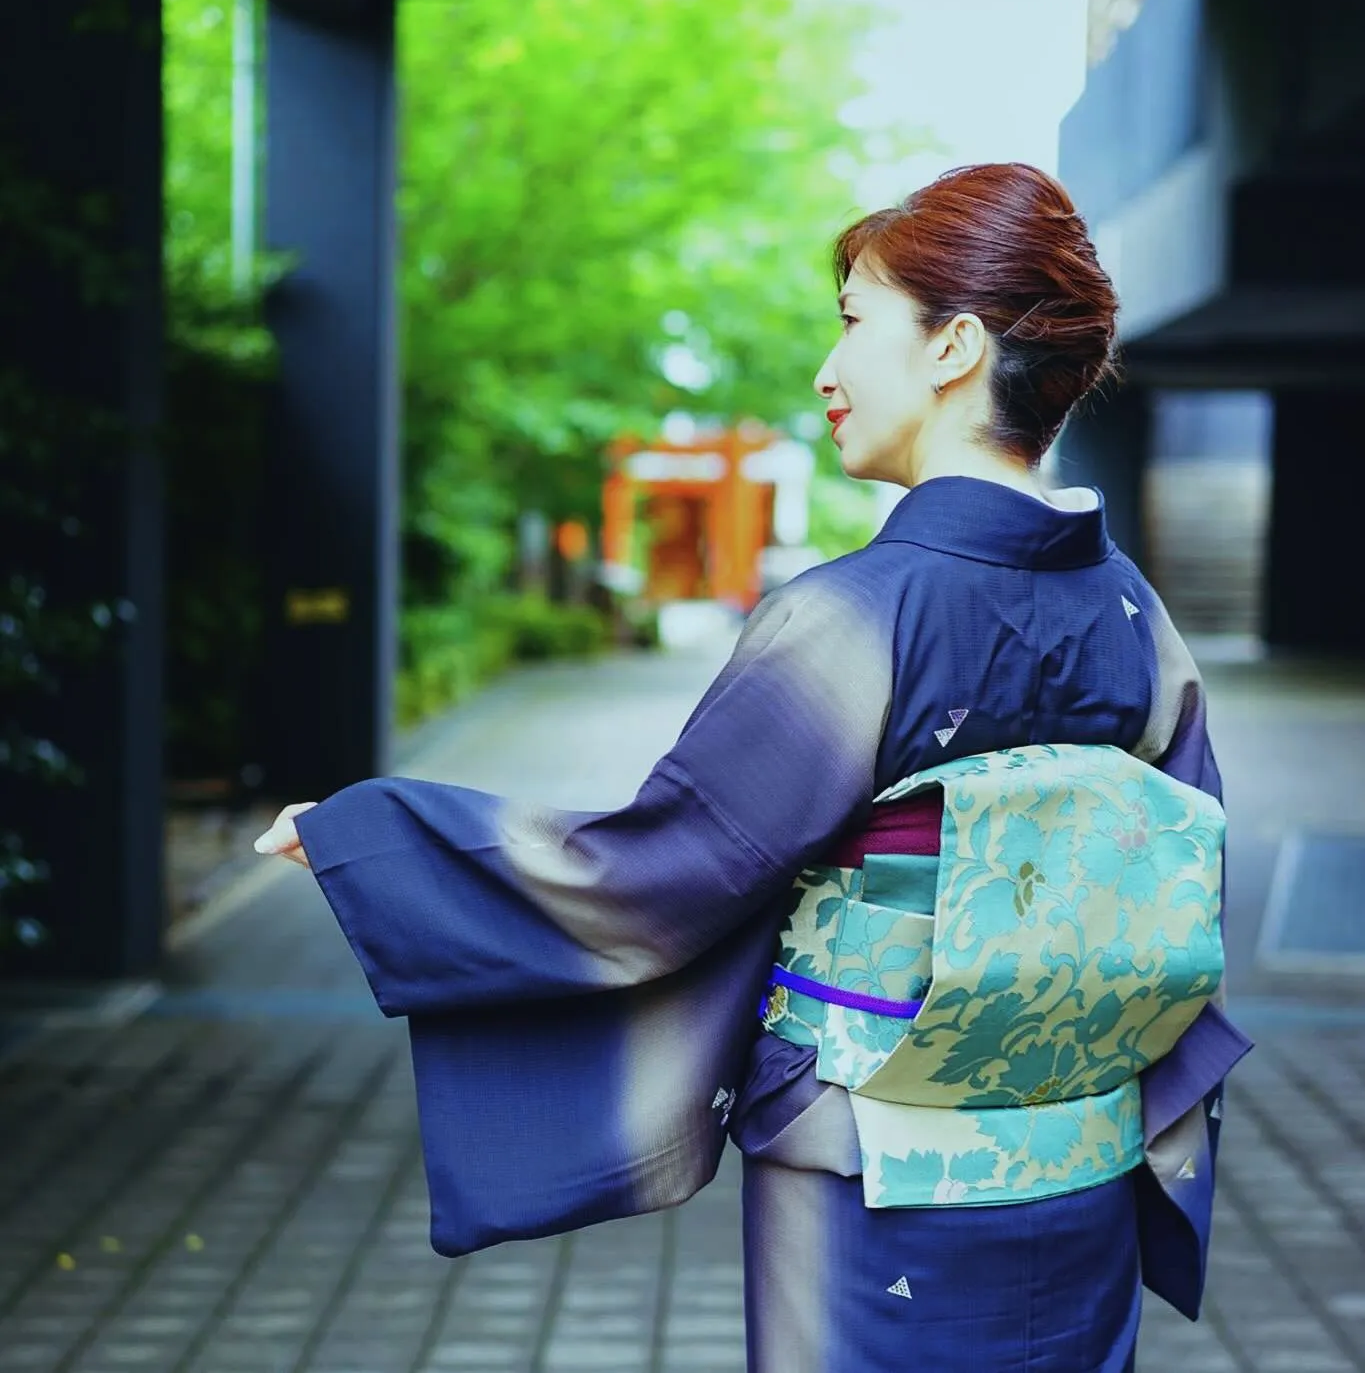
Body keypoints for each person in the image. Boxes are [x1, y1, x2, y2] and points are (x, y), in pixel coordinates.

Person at [256, 162, 1250, 1373]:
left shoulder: (856, 614)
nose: (827, 373)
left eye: (852, 323)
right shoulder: (1140, 617)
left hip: (871, 1169)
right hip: (1084, 1158)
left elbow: (655, 871)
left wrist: (376, 844)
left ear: (953, 347)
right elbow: (1178, 888)